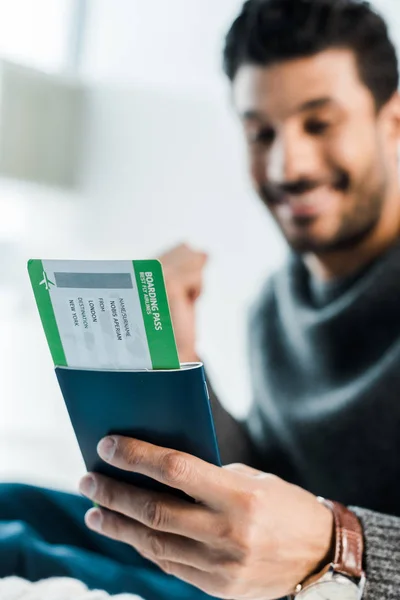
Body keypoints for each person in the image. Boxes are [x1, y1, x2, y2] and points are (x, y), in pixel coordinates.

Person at [1, 0, 400, 598]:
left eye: (320, 124)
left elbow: (296, 528)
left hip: (331, 589)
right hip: (259, 581)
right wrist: (179, 354)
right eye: (261, 132)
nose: (288, 164)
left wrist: (335, 544)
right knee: (10, 505)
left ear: (392, 122)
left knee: (21, 556)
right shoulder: (275, 308)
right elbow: (263, 480)